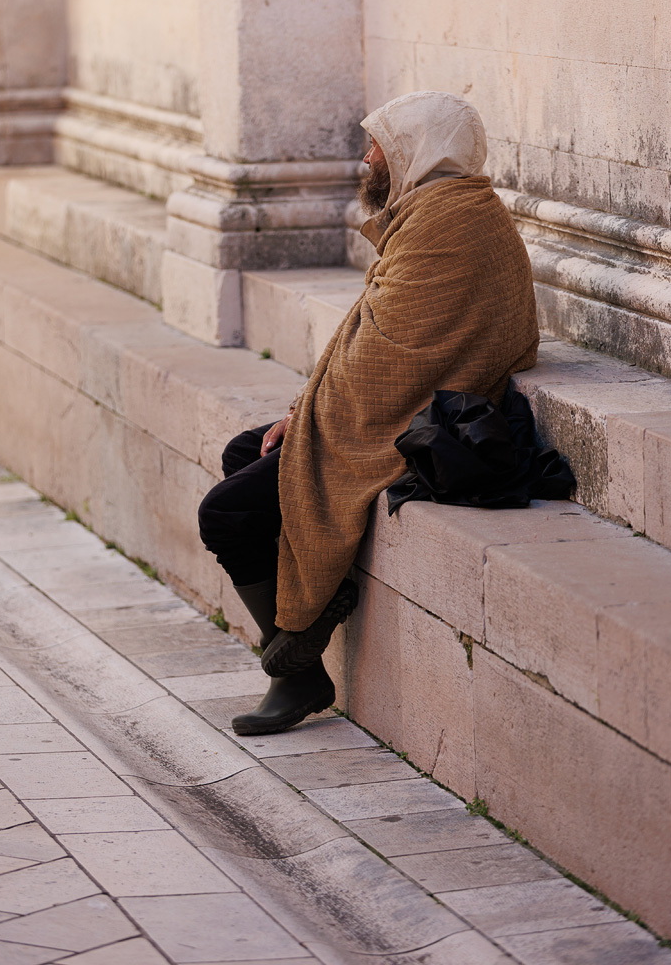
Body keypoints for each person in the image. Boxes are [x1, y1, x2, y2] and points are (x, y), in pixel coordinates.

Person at [198, 91, 540, 735]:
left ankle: (296, 661)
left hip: (411, 424)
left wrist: (307, 420)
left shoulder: (450, 225)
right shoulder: (443, 211)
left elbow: (386, 367)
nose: (366, 158)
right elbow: (371, 344)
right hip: (394, 406)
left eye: (376, 144)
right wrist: (302, 413)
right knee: (249, 452)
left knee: (224, 512)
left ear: (414, 148)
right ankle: (298, 643)